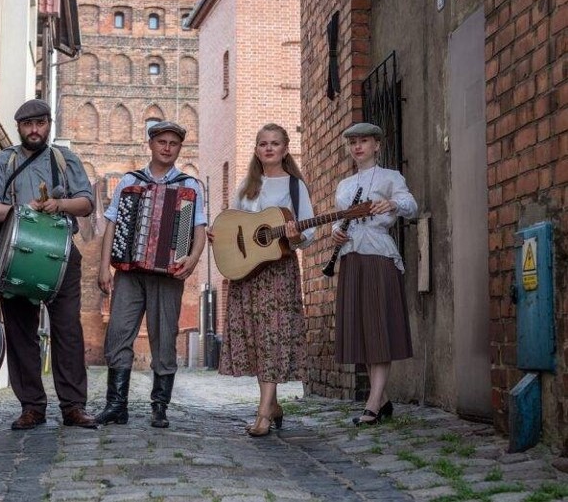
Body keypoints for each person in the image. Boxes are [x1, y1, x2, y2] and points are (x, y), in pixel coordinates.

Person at [0, 98, 98, 430]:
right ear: (19, 128)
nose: (34, 130)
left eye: (40, 123)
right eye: (28, 125)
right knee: (20, 333)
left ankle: (73, 406)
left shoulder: (64, 159)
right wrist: (21, 211)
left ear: (48, 125)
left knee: (68, 330)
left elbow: (86, 203)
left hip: (61, 253)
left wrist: (58, 204)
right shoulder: (3, 161)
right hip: (15, 254)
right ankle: (32, 406)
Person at [96, 121, 207, 429]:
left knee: (164, 337)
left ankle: (160, 406)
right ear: (151, 144)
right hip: (130, 272)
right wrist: (104, 266)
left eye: (173, 143)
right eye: (162, 141)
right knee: (118, 332)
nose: (167, 147)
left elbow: (197, 229)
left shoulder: (190, 187)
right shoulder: (130, 181)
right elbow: (112, 224)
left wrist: (193, 258)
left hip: (168, 274)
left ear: (179, 148)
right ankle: (116, 405)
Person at [212, 123, 315, 437]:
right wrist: (221, 237)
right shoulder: (246, 185)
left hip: (278, 273)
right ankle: (271, 404)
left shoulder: (296, 187)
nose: (268, 148)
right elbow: (232, 224)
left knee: (273, 337)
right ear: (256, 150)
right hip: (248, 274)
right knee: (258, 339)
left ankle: (263, 413)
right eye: (263, 144)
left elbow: (308, 235)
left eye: (275, 143)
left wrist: (296, 237)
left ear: (285, 149)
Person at [330, 122, 418, 426]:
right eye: (353, 142)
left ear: (377, 145)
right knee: (364, 331)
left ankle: (372, 403)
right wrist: (335, 235)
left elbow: (411, 205)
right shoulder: (343, 186)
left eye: (364, 141)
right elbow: (338, 222)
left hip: (378, 255)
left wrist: (391, 202)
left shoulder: (391, 177)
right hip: (351, 256)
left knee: (378, 327)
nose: (358, 147)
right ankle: (382, 399)